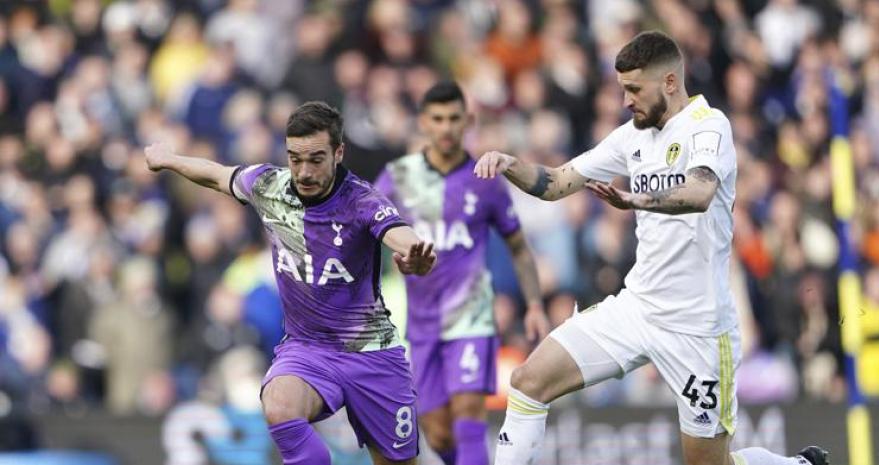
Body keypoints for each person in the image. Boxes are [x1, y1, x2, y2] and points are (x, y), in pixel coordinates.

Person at [475, 31, 830, 465]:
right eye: (622, 89)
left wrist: (635, 200)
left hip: (698, 326)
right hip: (637, 309)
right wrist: (511, 164)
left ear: (668, 82)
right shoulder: (632, 137)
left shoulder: (709, 126)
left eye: (633, 89)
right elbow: (557, 182)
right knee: (529, 381)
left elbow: (700, 191)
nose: (626, 100)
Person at [144, 101, 435, 465]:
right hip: (308, 349)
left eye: (316, 159)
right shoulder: (269, 186)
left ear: (338, 152)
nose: (303, 170)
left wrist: (416, 255)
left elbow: (397, 232)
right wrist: (170, 160)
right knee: (279, 405)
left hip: (371, 354)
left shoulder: (361, 201)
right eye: (295, 158)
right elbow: (217, 175)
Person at [375, 82, 550, 465]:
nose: (446, 128)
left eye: (455, 118)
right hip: (420, 323)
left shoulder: (485, 180)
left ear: (468, 121)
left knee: (468, 414)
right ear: (423, 122)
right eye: (437, 119)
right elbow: (367, 234)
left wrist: (534, 304)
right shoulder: (396, 178)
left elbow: (518, 247)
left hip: (472, 315)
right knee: (436, 429)